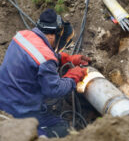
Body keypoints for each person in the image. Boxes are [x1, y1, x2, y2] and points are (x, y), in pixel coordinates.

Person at [0, 9, 90, 138]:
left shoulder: (22, 35)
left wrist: (66, 59)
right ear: (52, 35)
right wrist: (73, 77)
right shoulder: (46, 59)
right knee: (63, 130)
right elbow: (54, 90)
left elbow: (35, 56)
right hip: (20, 112)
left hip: (4, 100)